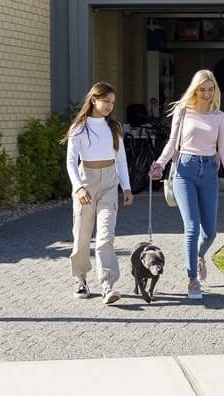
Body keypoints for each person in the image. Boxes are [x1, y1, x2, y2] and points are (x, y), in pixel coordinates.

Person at [149, 70, 224, 300]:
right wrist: (159, 163)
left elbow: (223, 149)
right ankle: (192, 280)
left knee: (210, 233)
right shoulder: (183, 111)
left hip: (208, 171)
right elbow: (171, 144)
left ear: (215, 90)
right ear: (195, 90)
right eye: (202, 89)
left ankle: (198, 256)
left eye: (210, 90)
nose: (206, 94)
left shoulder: (220, 117)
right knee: (192, 226)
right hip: (184, 171)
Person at [63, 82, 133, 304]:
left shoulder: (114, 128)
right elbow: (71, 163)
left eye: (112, 103)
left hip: (110, 182)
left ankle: (107, 284)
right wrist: (78, 187)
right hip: (86, 182)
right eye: (106, 101)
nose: (109, 106)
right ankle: (81, 279)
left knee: (105, 237)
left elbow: (120, 159)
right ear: (94, 100)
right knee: (82, 235)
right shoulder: (79, 128)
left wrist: (127, 187)